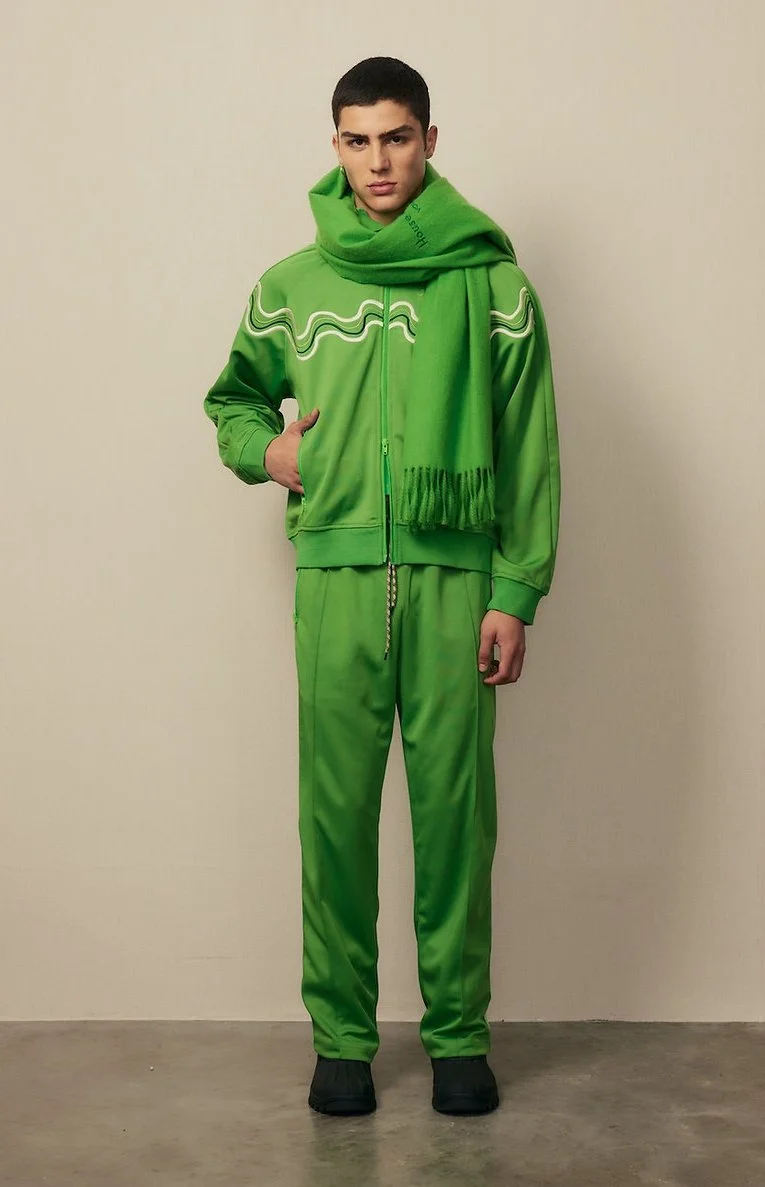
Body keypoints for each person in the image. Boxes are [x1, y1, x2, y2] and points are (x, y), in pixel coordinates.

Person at [203, 55, 561, 1118]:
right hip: (338, 579)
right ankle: (342, 1039)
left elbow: (528, 447)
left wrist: (514, 589)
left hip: (456, 583)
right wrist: (268, 452)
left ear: (429, 142)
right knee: (334, 816)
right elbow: (233, 402)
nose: (377, 162)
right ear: (334, 146)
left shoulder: (494, 286)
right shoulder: (291, 285)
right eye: (357, 141)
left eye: (396, 138)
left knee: (456, 818)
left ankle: (457, 1036)